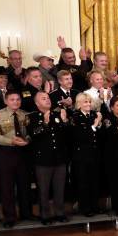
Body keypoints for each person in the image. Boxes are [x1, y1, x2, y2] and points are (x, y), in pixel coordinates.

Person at [0, 90, 33, 228]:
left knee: (24, 184)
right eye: (12, 99)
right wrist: (10, 141)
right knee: (7, 186)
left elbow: (30, 133)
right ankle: (10, 217)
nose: (16, 102)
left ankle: (27, 213)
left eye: (18, 99)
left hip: (22, 153)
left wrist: (27, 141)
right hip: (5, 153)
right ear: (6, 101)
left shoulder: (25, 115)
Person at [27, 92, 70, 225]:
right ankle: (45, 215)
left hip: (59, 158)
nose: (47, 100)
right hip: (43, 160)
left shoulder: (57, 115)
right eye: (43, 98)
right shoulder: (32, 117)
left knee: (59, 188)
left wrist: (64, 122)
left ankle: (60, 213)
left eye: (48, 98)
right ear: (37, 103)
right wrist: (45, 123)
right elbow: (33, 134)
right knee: (43, 190)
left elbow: (66, 135)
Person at [70, 93, 102, 216]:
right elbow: (82, 136)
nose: (88, 104)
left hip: (94, 154)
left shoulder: (93, 114)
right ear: (79, 104)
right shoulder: (75, 117)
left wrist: (98, 124)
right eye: (85, 102)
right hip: (81, 156)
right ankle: (85, 208)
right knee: (83, 182)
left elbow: (99, 135)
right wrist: (95, 124)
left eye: (89, 102)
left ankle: (95, 206)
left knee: (95, 181)